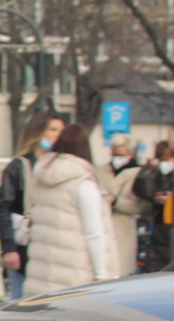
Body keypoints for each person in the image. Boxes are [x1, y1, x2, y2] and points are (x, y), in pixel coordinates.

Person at [25, 121, 114, 292]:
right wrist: (101, 275)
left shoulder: (42, 176)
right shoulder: (82, 183)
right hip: (74, 273)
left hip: (42, 272)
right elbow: (93, 232)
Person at [0, 110, 64, 301]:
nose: (57, 135)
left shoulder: (62, 167)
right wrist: (8, 248)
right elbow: (4, 207)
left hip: (53, 247)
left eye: (60, 130)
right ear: (38, 132)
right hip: (25, 247)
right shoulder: (19, 166)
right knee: (23, 302)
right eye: (52, 129)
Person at [104, 136, 152, 277]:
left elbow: (142, 207)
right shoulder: (101, 171)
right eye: (114, 154)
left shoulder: (139, 174)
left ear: (131, 153)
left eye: (121, 155)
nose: (116, 158)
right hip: (102, 225)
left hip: (123, 229)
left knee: (121, 270)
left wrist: (116, 201)